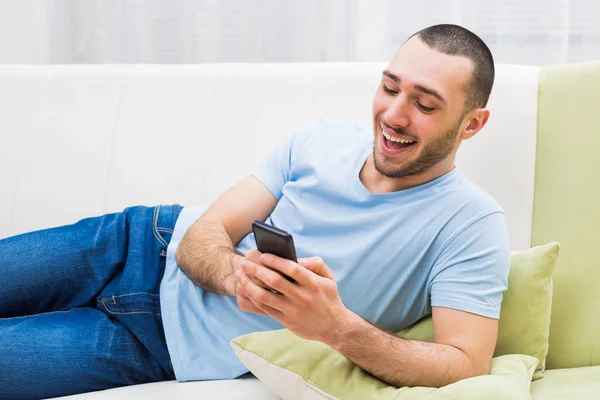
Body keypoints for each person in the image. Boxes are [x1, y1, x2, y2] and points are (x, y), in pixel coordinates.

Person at [0, 24, 510, 399]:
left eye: (425, 104)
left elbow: (465, 364)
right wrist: (236, 275)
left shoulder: (470, 223)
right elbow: (210, 230)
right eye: (390, 87)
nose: (393, 115)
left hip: (152, 347)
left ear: (472, 124)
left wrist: (335, 327)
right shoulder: (320, 140)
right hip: (138, 242)